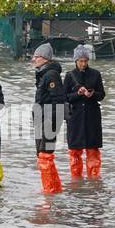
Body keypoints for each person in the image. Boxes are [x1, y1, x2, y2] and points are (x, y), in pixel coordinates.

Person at [64, 45, 106, 180]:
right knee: (75, 151)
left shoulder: (96, 74)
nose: (83, 64)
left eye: (85, 61)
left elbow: (102, 94)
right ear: (75, 61)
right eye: (80, 61)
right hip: (75, 117)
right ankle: (76, 180)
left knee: (93, 150)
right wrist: (78, 93)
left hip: (92, 117)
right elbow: (65, 97)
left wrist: (92, 94)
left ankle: (94, 180)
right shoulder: (69, 76)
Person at [32, 43, 66, 194]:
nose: (34, 59)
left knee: (44, 155)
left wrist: (50, 122)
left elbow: (58, 100)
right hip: (42, 120)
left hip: (48, 121)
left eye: (36, 57)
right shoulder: (43, 74)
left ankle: (49, 192)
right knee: (43, 155)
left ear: (44, 58)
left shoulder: (50, 75)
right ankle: (55, 188)